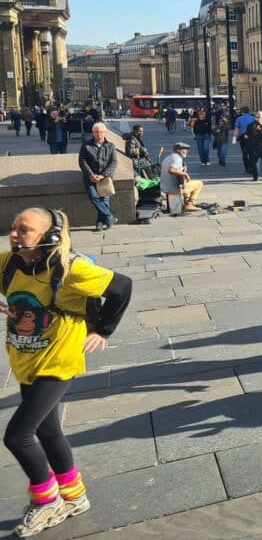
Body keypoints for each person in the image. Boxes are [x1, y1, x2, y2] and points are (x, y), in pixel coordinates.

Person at [2, 208, 133, 538]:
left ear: (49, 237)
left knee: (17, 436)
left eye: (24, 230)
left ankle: (46, 501)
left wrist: (102, 330)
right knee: (47, 432)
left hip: (58, 363)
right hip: (26, 361)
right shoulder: (8, 264)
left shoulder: (71, 269)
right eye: (14, 227)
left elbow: (121, 286)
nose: (14, 234)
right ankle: (74, 497)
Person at [78, 123, 118, 232]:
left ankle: (100, 222)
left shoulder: (111, 146)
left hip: (105, 178)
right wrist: (91, 174)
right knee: (93, 197)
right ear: (92, 133)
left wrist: (102, 175)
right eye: (96, 132)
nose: (99, 134)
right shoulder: (86, 145)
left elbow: (113, 162)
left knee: (104, 200)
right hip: (90, 177)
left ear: (105, 133)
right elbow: (82, 161)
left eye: (101, 132)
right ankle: (109, 217)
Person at [160, 142, 204, 214]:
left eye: (187, 149)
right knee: (199, 183)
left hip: (165, 188)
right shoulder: (177, 158)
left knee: (187, 183)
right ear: (178, 150)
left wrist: (183, 170)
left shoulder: (169, 157)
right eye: (184, 149)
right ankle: (189, 203)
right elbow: (171, 170)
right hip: (173, 189)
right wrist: (185, 174)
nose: (186, 151)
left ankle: (186, 202)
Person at [233, 107, 255, 172]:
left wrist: (234, 138)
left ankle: (247, 167)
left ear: (242, 112)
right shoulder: (253, 118)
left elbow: (236, 129)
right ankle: (251, 166)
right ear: (248, 111)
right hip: (251, 137)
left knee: (244, 152)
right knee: (251, 152)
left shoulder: (239, 119)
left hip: (242, 137)